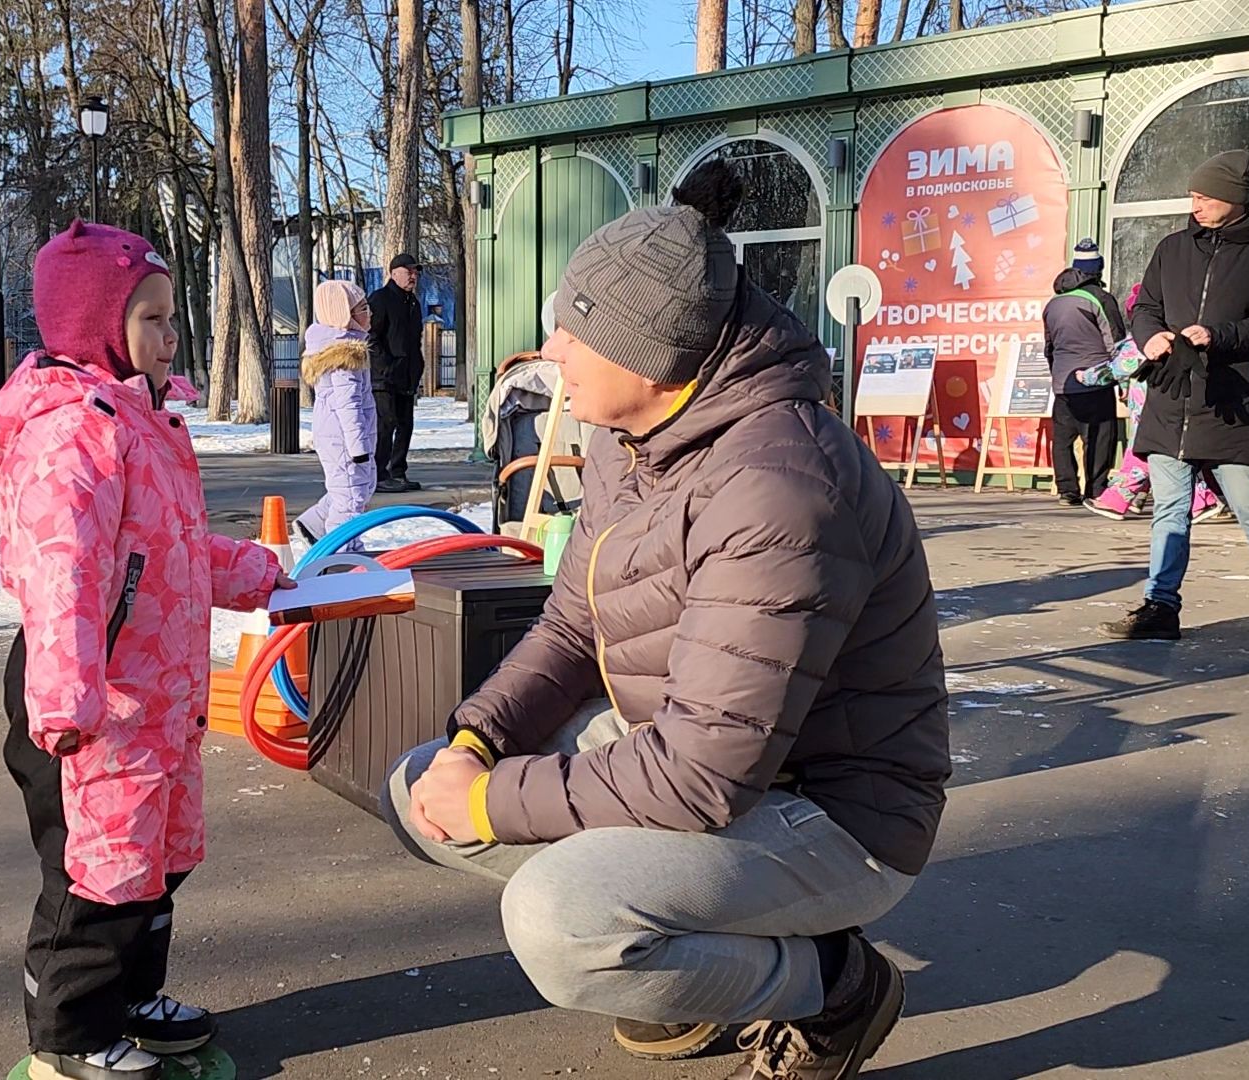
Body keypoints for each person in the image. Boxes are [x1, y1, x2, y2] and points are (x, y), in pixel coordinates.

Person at [382, 158, 949, 1080]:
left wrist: (491, 799)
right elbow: (572, 627)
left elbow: (699, 778)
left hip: (834, 812)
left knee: (562, 922)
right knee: (417, 789)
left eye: (572, 331)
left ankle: (834, 985)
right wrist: (476, 745)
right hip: (712, 758)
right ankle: (691, 957)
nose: (552, 352)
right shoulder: (628, 438)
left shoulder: (778, 488)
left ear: (648, 353)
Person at [0, 220, 290, 1080]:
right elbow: (63, 576)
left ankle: (130, 997)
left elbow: (172, 551)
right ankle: (71, 1033)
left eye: (169, 317)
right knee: (94, 872)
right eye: (151, 319)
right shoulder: (74, 433)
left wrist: (266, 574)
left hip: (154, 689)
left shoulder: (140, 422)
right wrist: (67, 702)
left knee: (153, 859)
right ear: (97, 330)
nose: (170, 338)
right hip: (86, 696)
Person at [1101, 150, 1249, 642]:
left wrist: (1219, 335)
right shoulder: (1172, 248)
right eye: (1192, 195)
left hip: (1232, 405)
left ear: (1236, 199)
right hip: (1171, 397)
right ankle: (1160, 607)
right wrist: (1149, 336)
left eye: (1205, 197)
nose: (1195, 205)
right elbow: (1146, 305)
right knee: (1170, 510)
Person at [1082, 285, 1227, 523]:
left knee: (1144, 454)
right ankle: (1201, 502)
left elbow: (1117, 369)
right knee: (1173, 457)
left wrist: (1085, 377)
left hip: (1149, 412)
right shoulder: (1179, 336)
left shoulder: (1144, 341)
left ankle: (1117, 501)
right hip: (1175, 407)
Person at [294, 279, 377, 546]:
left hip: (339, 435)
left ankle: (315, 523)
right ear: (345, 316)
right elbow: (348, 404)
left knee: (357, 487)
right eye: (363, 308)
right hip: (343, 437)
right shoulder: (344, 355)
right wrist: (358, 447)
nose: (370, 313)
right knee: (351, 496)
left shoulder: (341, 346)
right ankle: (343, 554)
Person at [1044, 240, 1126, 506]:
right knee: (1100, 437)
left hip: (1063, 384)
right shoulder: (1101, 299)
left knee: (1063, 438)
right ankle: (1096, 489)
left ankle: (1067, 490)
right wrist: (1123, 378)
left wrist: (1057, 376)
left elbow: (1049, 347)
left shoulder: (1053, 304)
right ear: (1098, 270)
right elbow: (1116, 342)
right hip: (1096, 380)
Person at [368, 252, 423, 493]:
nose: (413, 276)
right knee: (385, 424)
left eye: (415, 272)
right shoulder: (380, 299)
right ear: (393, 273)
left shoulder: (413, 304)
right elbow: (371, 338)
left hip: (407, 376)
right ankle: (379, 474)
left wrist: (417, 366)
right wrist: (385, 366)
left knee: (405, 424)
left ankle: (398, 471)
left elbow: (414, 340)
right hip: (383, 377)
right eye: (408, 271)